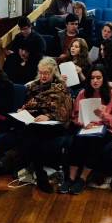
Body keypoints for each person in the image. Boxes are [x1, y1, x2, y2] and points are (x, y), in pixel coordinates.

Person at [59, 65, 112, 195]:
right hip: (85, 128)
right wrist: (82, 123)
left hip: (105, 130)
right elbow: (75, 116)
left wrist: (103, 115)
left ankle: (82, 178)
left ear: (104, 79)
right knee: (77, 141)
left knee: (95, 143)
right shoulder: (83, 93)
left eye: (98, 78)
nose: (95, 81)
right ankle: (70, 178)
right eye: (92, 78)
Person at [17, 57, 72, 193]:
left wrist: (48, 116)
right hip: (36, 122)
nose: (43, 76)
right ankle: (39, 172)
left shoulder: (61, 87)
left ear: (53, 72)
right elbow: (29, 104)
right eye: (41, 72)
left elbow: (65, 111)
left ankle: (37, 172)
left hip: (55, 124)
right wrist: (23, 109)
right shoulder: (33, 86)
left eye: (46, 73)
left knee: (34, 132)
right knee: (31, 130)